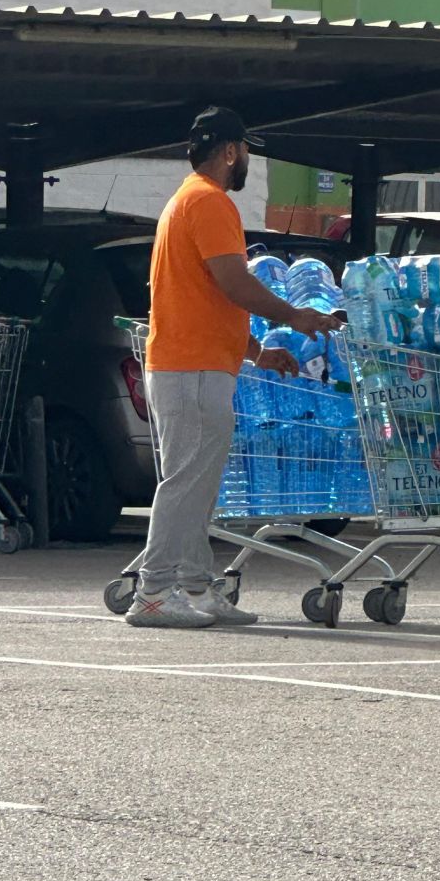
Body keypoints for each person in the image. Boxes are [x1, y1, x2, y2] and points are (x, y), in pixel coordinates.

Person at [129, 106, 341, 629]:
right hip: (192, 369)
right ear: (230, 151)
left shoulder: (187, 201)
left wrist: (255, 351)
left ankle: (198, 586)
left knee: (200, 483)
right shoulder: (209, 201)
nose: (246, 158)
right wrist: (294, 315)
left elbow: (204, 297)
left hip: (195, 364)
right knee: (185, 481)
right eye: (246, 149)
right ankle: (153, 592)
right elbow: (233, 283)